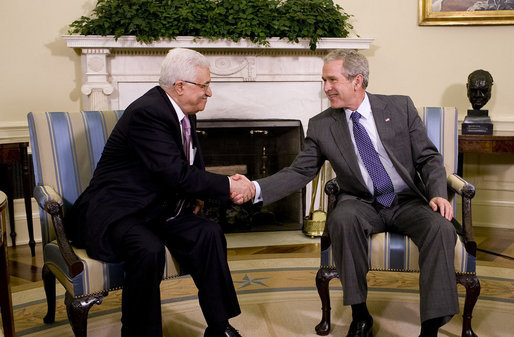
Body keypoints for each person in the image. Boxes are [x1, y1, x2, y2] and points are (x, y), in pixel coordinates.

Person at [250, 50, 458, 337]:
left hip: (406, 200)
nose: (326, 88)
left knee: (441, 229)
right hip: (361, 202)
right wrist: (255, 188)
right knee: (342, 220)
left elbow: (428, 158)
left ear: (357, 80)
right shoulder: (322, 124)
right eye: (324, 80)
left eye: (332, 80)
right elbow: (299, 171)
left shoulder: (400, 108)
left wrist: (437, 193)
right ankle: (360, 315)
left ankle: (431, 325)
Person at [65, 48, 254, 337]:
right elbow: (175, 174)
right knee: (147, 249)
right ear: (180, 86)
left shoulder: (184, 111)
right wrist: (230, 186)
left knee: (208, 234)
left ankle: (219, 326)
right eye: (204, 85)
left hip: (158, 208)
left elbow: (189, 160)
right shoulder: (148, 113)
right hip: (120, 211)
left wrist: (199, 194)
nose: (210, 92)